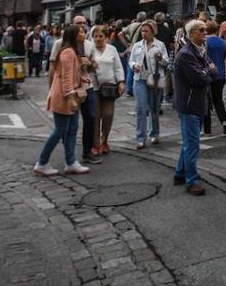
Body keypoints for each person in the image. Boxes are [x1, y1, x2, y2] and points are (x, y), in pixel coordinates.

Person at [34, 24, 90, 176]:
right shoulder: (68, 52)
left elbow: (72, 75)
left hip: (69, 95)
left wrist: (83, 79)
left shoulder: (73, 51)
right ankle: (42, 162)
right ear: (74, 35)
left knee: (71, 130)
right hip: (64, 96)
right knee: (60, 130)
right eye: (81, 32)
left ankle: (71, 162)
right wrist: (71, 97)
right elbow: (66, 78)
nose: (84, 33)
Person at [173, 19, 215, 195]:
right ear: (191, 34)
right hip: (190, 104)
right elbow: (202, 77)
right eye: (201, 30)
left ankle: (180, 173)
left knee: (190, 141)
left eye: (205, 29)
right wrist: (208, 70)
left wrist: (207, 71)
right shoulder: (186, 54)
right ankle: (191, 181)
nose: (205, 32)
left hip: (197, 102)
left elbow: (213, 71)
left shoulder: (200, 50)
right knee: (192, 144)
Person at [128, 22, 169, 147]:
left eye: (146, 31)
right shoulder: (137, 45)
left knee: (154, 108)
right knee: (141, 108)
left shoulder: (159, 45)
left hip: (155, 79)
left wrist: (160, 58)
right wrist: (134, 65)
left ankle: (154, 133)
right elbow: (131, 60)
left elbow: (166, 62)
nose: (144, 34)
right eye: (142, 31)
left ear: (153, 32)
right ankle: (140, 137)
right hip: (140, 79)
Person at [89, 26, 125, 158]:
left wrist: (121, 82)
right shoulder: (90, 49)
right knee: (96, 116)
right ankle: (97, 144)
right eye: (96, 36)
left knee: (108, 114)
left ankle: (104, 139)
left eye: (101, 36)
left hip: (109, 87)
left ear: (106, 37)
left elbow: (118, 67)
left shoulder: (112, 49)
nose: (98, 39)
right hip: (93, 88)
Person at [202, 19, 226, 135]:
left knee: (206, 102)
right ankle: (224, 122)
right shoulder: (223, 42)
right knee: (218, 100)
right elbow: (224, 56)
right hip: (221, 74)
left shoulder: (205, 42)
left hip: (208, 73)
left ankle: (207, 129)